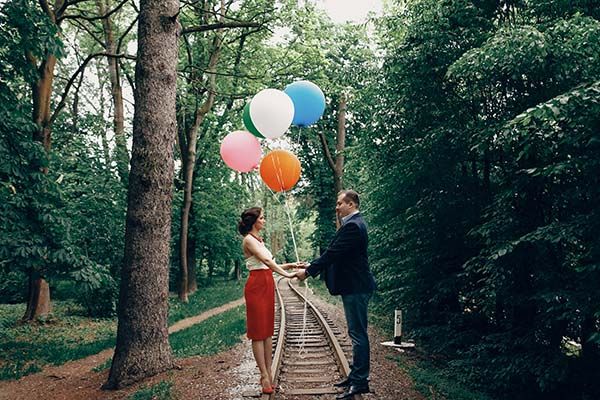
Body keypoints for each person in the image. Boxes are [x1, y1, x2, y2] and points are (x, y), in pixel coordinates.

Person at [296, 190, 376, 399]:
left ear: (351, 204)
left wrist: (308, 271)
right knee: (356, 333)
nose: (337, 207)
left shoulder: (352, 226)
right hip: (354, 286)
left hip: (356, 287)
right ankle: (356, 376)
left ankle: (360, 382)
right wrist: (312, 264)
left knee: (358, 334)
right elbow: (336, 253)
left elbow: (333, 253)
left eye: (340, 203)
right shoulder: (353, 224)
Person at [239, 207, 304, 394]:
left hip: (267, 284)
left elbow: (268, 263)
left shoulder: (260, 241)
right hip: (257, 286)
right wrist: (289, 275)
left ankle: (268, 369)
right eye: (262, 218)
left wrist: (291, 264)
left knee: (268, 331)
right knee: (258, 331)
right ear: (254, 222)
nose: (264, 220)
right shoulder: (249, 240)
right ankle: (264, 375)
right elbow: (266, 263)